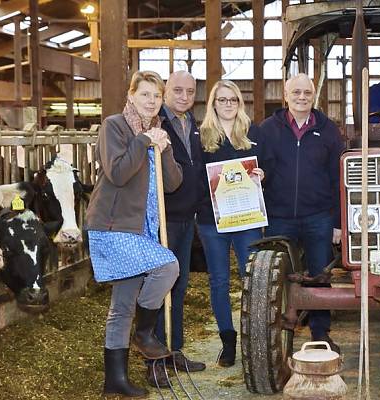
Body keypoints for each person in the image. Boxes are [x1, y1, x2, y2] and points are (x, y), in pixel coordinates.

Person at [85, 70, 181, 397]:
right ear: (131, 95)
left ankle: (115, 381)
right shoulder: (115, 126)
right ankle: (144, 333)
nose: (151, 101)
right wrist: (143, 141)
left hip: (144, 229)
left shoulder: (157, 132)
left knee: (122, 305)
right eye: (145, 94)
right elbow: (118, 172)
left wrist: (164, 149)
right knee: (168, 267)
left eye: (157, 96)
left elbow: (173, 184)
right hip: (115, 227)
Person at [258, 73, 345, 353]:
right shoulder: (267, 129)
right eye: (296, 92)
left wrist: (337, 222)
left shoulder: (328, 130)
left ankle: (320, 333)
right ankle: (275, 331)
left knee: (320, 275)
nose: (301, 97)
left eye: (307, 93)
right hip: (278, 216)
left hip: (318, 216)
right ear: (285, 95)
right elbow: (256, 169)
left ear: (314, 96)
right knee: (276, 275)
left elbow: (338, 179)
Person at [196, 79, 266, 368]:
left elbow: (266, 165)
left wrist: (261, 175)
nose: (228, 104)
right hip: (212, 220)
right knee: (219, 280)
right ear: (213, 103)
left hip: (246, 217)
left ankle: (254, 335)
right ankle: (228, 339)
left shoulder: (252, 133)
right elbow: (194, 176)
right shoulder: (201, 136)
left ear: (240, 103)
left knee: (252, 277)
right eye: (222, 99)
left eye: (233, 99)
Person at [145, 70, 206, 385]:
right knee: (158, 287)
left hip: (186, 218)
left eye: (190, 91)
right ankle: (154, 360)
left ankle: (174, 349)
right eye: (178, 90)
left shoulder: (192, 124)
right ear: (166, 91)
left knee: (179, 286)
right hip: (163, 219)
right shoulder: (156, 124)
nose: (184, 96)